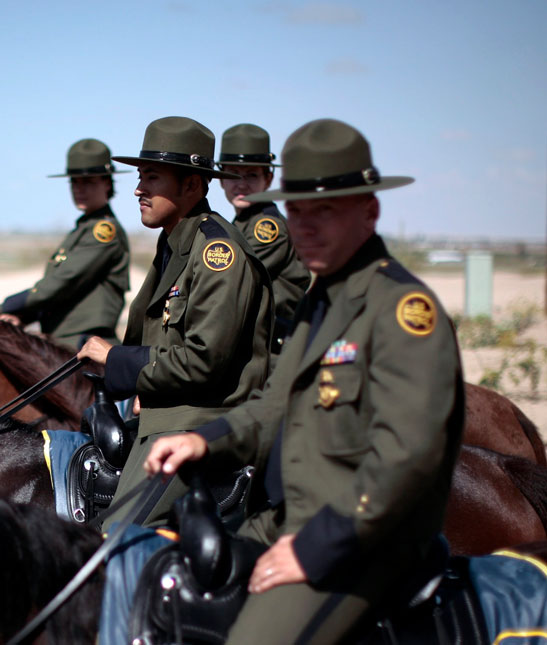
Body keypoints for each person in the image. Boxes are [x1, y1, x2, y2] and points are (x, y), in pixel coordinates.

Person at [142, 118, 464, 643]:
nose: (305, 227)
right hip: (286, 517)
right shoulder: (322, 301)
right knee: (171, 590)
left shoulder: (403, 310)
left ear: (370, 210)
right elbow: (272, 408)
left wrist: (312, 548)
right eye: (297, 211)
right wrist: (203, 439)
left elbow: (408, 458)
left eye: (325, 211)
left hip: (363, 542)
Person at [75, 117, 273, 529]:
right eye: (139, 176)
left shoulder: (217, 253)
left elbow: (203, 360)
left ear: (191, 186)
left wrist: (116, 359)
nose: (138, 189)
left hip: (202, 422)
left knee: (114, 539)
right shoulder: (175, 241)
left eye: (153, 178)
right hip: (166, 413)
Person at [0, 138, 131, 349]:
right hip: (62, 342)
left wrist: (4, 306)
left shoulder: (103, 233)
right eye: (74, 182)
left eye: (89, 182)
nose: (79, 189)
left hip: (85, 344)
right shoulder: (81, 230)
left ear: (107, 182)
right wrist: (22, 317)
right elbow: (61, 295)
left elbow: (61, 283)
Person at [217, 123, 311, 352]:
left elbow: (235, 279)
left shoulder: (267, 227)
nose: (241, 184)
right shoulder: (242, 222)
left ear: (268, 179)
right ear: (220, 179)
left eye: (251, 175)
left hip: (272, 351)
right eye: (233, 174)